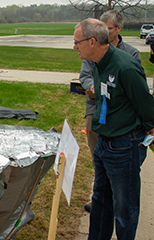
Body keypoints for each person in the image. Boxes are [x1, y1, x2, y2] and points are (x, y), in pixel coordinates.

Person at [73, 18, 154, 240]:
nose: (74, 47)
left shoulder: (125, 67)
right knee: (100, 200)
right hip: (104, 143)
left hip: (125, 147)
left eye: (76, 42)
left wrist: (150, 129)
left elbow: (145, 104)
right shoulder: (98, 64)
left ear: (92, 42)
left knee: (124, 209)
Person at [79, 9, 141, 213]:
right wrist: (92, 87)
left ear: (119, 29)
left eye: (109, 28)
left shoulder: (130, 54)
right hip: (96, 110)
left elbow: (136, 92)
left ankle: (117, 198)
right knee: (99, 156)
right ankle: (101, 197)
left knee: (121, 165)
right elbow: (85, 76)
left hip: (120, 118)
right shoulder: (90, 50)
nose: (104, 31)